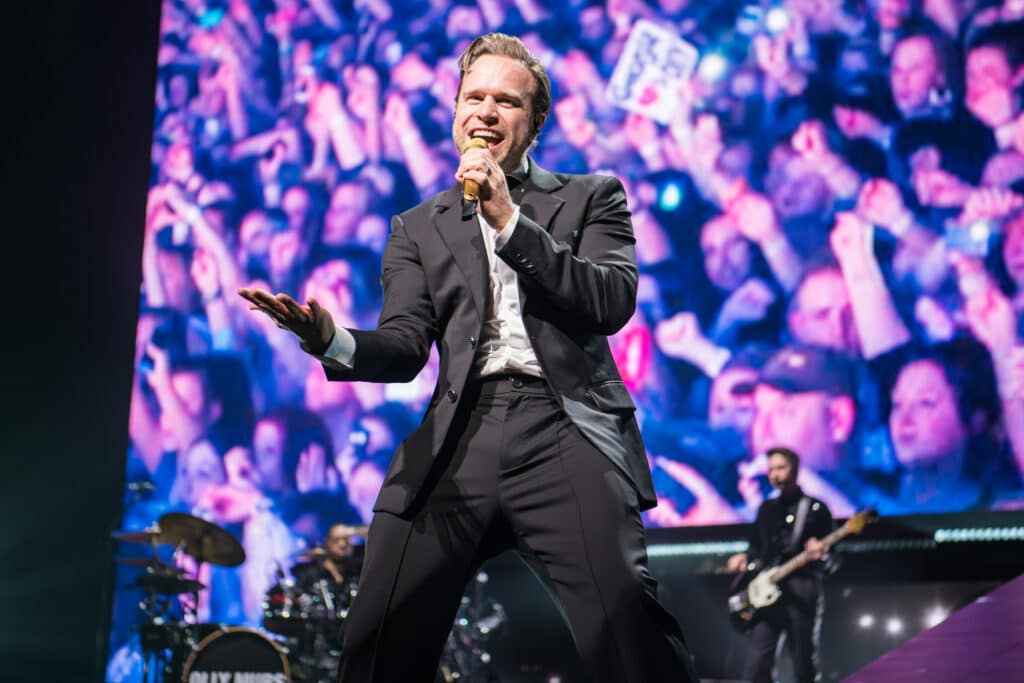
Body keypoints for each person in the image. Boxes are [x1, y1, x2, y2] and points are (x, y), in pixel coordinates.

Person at [239, 33, 699, 683]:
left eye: (506, 101)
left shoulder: (592, 196)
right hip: (461, 433)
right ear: (455, 110)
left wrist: (509, 220)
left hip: (563, 428)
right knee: (375, 635)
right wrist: (329, 339)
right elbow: (403, 348)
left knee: (623, 618)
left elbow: (610, 300)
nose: (485, 111)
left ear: (533, 123)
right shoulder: (418, 227)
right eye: (473, 97)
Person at [726, 447, 834, 683]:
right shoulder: (767, 509)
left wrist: (822, 555)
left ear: (795, 470)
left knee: (803, 662)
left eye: (781, 467)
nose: (775, 474)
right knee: (758, 663)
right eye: (771, 469)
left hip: (802, 593)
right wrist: (744, 557)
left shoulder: (816, 509)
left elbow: (833, 560)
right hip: (767, 595)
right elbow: (756, 547)